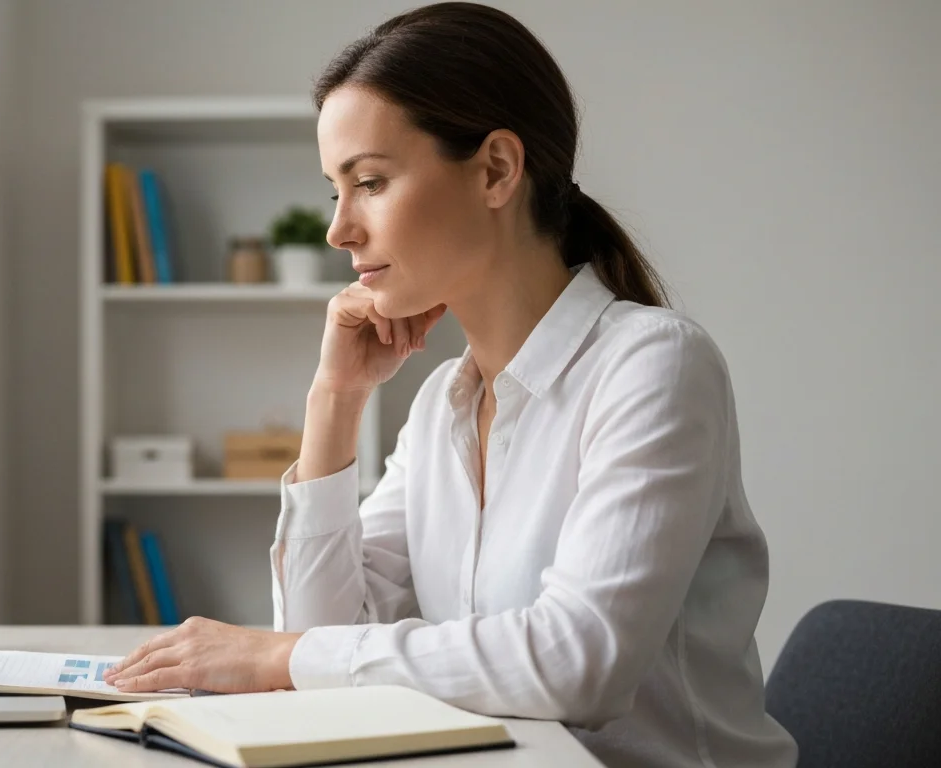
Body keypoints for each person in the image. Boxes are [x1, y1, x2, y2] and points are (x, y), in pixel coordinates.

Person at [103, 3, 798, 766]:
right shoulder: (442, 405)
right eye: (336, 190)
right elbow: (322, 630)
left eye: (369, 181)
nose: (339, 230)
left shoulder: (655, 367)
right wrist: (334, 402)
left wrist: (275, 659)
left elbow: (581, 664)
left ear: (497, 169)